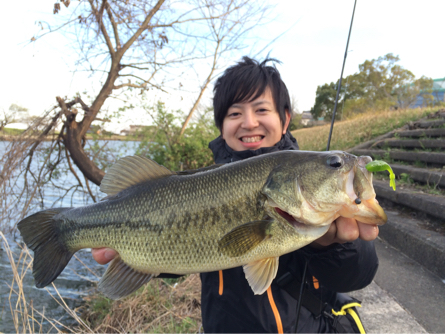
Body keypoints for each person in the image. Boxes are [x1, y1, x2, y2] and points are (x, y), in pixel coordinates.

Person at [92, 57, 379, 333]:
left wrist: (332, 246)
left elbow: (358, 274)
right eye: (234, 113)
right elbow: (185, 250)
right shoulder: (204, 182)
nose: (249, 122)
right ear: (222, 125)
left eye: (262, 110)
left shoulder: (316, 193)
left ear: (286, 118)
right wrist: (138, 253)